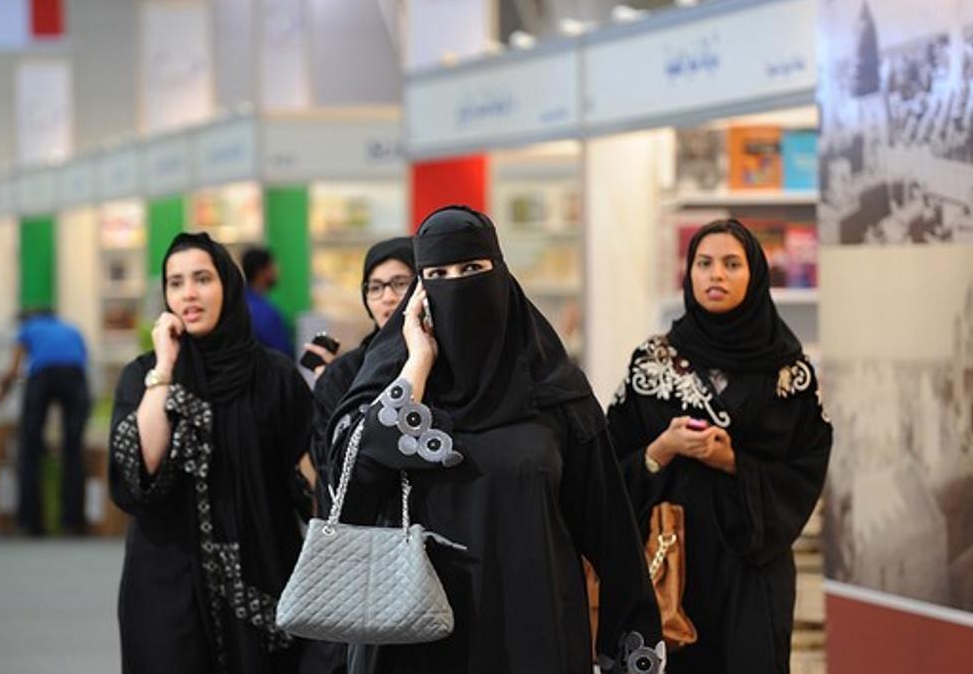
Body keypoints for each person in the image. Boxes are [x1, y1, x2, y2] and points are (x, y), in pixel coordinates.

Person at [327, 206, 664, 674]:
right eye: (438, 274)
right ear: (421, 296)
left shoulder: (556, 394)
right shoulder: (386, 386)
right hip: (413, 638)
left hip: (533, 630)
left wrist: (630, 642)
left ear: (501, 275)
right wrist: (417, 364)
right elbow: (353, 481)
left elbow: (611, 532)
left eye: (471, 269)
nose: (457, 285)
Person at [606, 219, 832, 674]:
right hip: (669, 565)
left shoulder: (789, 371)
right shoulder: (653, 363)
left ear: (756, 274)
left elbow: (806, 466)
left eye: (732, 264)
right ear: (689, 273)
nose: (716, 275)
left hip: (754, 566)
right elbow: (607, 466)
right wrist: (663, 449)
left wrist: (733, 462)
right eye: (705, 264)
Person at [108, 232, 312, 673]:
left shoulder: (274, 376)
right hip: (168, 580)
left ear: (229, 285)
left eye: (202, 278)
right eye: (176, 283)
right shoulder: (143, 375)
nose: (189, 294)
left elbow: (309, 480)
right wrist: (164, 366)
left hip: (262, 577)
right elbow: (139, 468)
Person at [300, 236, 414, 674]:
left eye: (400, 283)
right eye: (375, 287)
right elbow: (333, 476)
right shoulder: (347, 376)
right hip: (368, 561)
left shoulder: (458, 366)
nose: (387, 297)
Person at [0, 309, 91, 536]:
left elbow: (14, 368)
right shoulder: (71, 329)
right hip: (75, 377)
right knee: (73, 449)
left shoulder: (28, 328)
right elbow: (82, 361)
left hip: (42, 375)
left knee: (29, 447)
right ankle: (73, 523)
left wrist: (1, 390)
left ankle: (29, 524)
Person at [242, 247, 294, 358]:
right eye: (272, 267)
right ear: (261, 272)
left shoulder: (241, 302)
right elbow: (282, 352)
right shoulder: (263, 312)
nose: (277, 271)